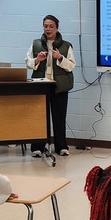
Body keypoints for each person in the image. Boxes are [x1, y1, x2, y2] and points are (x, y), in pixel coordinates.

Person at [24, 14, 76, 157]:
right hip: (40, 85)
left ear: (57, 28)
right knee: (39, 116)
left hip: (59, 86)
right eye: (46, 26)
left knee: (59, 117)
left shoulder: (66, 45)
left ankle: (61, 147)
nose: (48, 29)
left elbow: (71, 66)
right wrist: (37, 60)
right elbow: (28, 63)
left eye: (51, 26)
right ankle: (38, 147)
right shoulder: (36, 44)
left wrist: (60, 58)